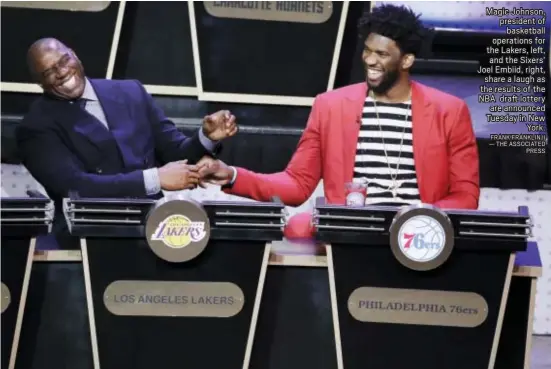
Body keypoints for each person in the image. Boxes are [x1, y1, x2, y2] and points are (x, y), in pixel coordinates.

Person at [198, 4, 480, 237]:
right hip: (351, 234)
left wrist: (420, 221)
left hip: (420, 238)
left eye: (382, 54)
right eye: (367, 51)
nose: (370, 60)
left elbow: (465, 195)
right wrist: (233, 175)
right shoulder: (330, 106)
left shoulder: (449, 111)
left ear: (406, 61)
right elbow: (297, 184)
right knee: (297, 230)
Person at [16, 38, 237, 248]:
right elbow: (75, 186)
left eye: (64, 61)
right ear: (39, 82)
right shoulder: (35, 127)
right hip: (89, 235)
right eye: (49, 72)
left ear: (75, 55)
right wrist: (155, 179)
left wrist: (207, 137)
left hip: (156, 226)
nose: (62, 72)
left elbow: (174, 152)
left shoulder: (130, 92)